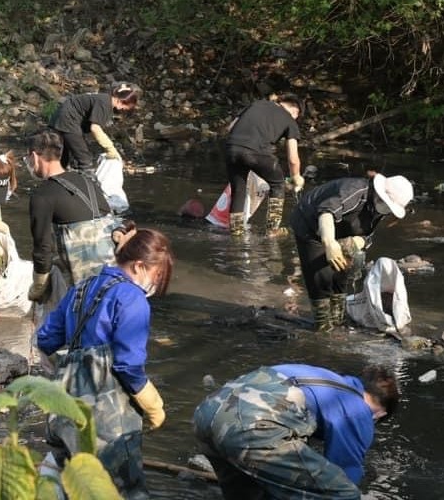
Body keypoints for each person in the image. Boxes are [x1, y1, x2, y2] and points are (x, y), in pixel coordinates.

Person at [35, 225, 173, 499]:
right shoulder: (132, 299)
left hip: (63, 406)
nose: (155, 284)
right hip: (107, 415)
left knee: (68, 478)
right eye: (156, 275)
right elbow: (127, 365)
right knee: (122, 488)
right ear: (138, 266)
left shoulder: (82, 287)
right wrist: (153, 404)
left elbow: (46, 339)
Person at [193, 363, 400, 499]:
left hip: (207, 414)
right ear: (380, 413)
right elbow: (345, 474)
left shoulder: (326, 379)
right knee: (344, 494)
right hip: (252, 426)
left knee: (251, 494)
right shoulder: (358, 409)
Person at [289, 173, 413, 331]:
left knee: (344, 270)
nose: (388, 210)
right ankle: (323, 325)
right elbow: (326, 212)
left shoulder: (380, 210)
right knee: (321, 276)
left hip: (341, 230)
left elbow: (367, 234)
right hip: (311, 223)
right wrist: (329, 243)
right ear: (379, 194)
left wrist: (355, 245)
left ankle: (338, 319)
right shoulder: (355, 191)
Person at [23, 131, 116, 302]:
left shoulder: (42, 195)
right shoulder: (88, 181)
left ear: (34, 157)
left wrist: (38, 286)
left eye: (27, 158)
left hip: (81, 280)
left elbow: (43, 248)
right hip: (111, 273)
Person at [224, 93, 305, 236]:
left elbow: (230, 128)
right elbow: (293, 158)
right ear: (295, 111)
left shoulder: (256, 104)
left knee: (239, 189)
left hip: (232, 148)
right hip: (256, 152)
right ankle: (272, 230)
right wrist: (296, 177)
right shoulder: (289, 120)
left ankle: (236, 232)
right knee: (278, 183)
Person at [47, 82, 141, 172]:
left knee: (64, 156)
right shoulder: (105, 103)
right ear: (121, 102)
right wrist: (110, 148)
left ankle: (57, 180)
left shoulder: (104, 99)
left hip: (61, 117)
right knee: (85, 159)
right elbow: (95, 128)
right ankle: (86, 184)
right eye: (126, 108)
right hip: (68, 120)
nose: (123, 110)